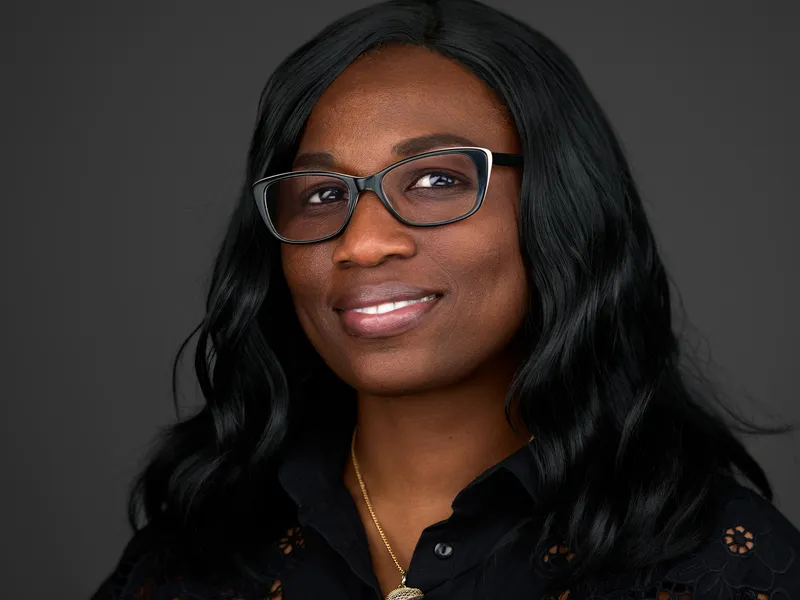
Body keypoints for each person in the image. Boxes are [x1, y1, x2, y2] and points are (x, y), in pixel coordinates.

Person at [89, 0, 800, 599]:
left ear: (558, 207)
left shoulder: (722, 565)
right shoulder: (193, 558)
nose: (362, 243)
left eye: (435, 180)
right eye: (322, 194)